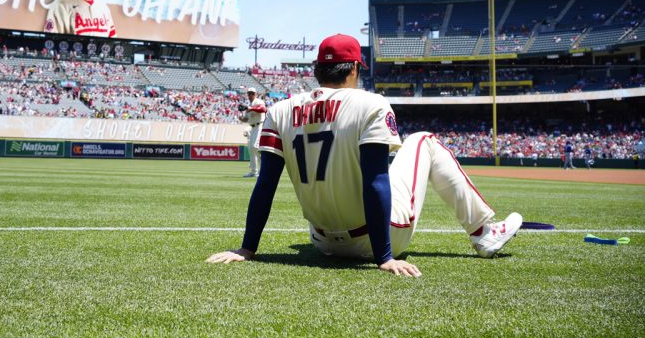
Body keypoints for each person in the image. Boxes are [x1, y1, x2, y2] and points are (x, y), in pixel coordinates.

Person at [207, 34, 522, 276]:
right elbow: (376, 181)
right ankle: (483, 233)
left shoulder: (280, 110)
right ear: (354, 68)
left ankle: (480, 232)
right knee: (424, 140)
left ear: (318, 69)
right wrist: (384, 256)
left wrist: (247, 248)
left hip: (323, 242)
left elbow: (265, 186)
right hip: (377, 240)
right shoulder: (371, 103)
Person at [239, 87, 266, 177]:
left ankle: (263, 170)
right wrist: (241, 119)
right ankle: (254, 172)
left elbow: (263, 109)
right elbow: (246, 118)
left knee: (255, 147)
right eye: (249, 93)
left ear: (255, 94)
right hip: (252, 127)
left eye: (252, 93)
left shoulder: (258, 102)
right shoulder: (248, 105)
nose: (250, 95)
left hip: (260, 126)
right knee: (251, 148)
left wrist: (250, 108)